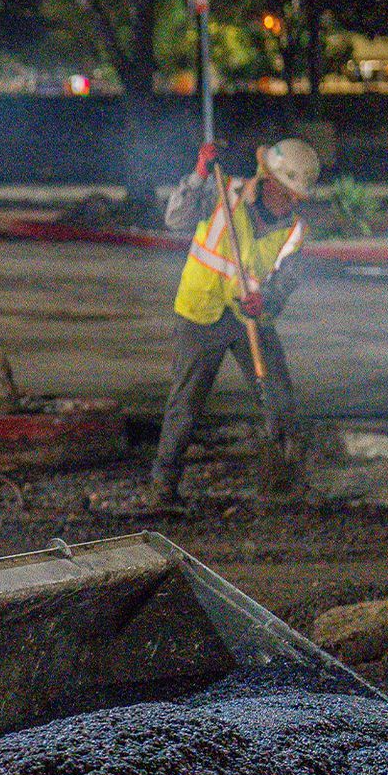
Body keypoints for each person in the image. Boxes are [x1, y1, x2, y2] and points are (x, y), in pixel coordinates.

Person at [149, 137, 320, 507]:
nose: (293, 201)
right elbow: (175, 219)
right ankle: (163, 486)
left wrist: (266, 302)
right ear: (269, 179)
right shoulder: (225, 191)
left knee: (278, 394)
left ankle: (285, 478)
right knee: (186, 402)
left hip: (249, 320)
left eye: (298, 195)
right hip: (201, 312)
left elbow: (287, 281)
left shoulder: (294, 232)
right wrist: (197, 174)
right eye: (288, 191)